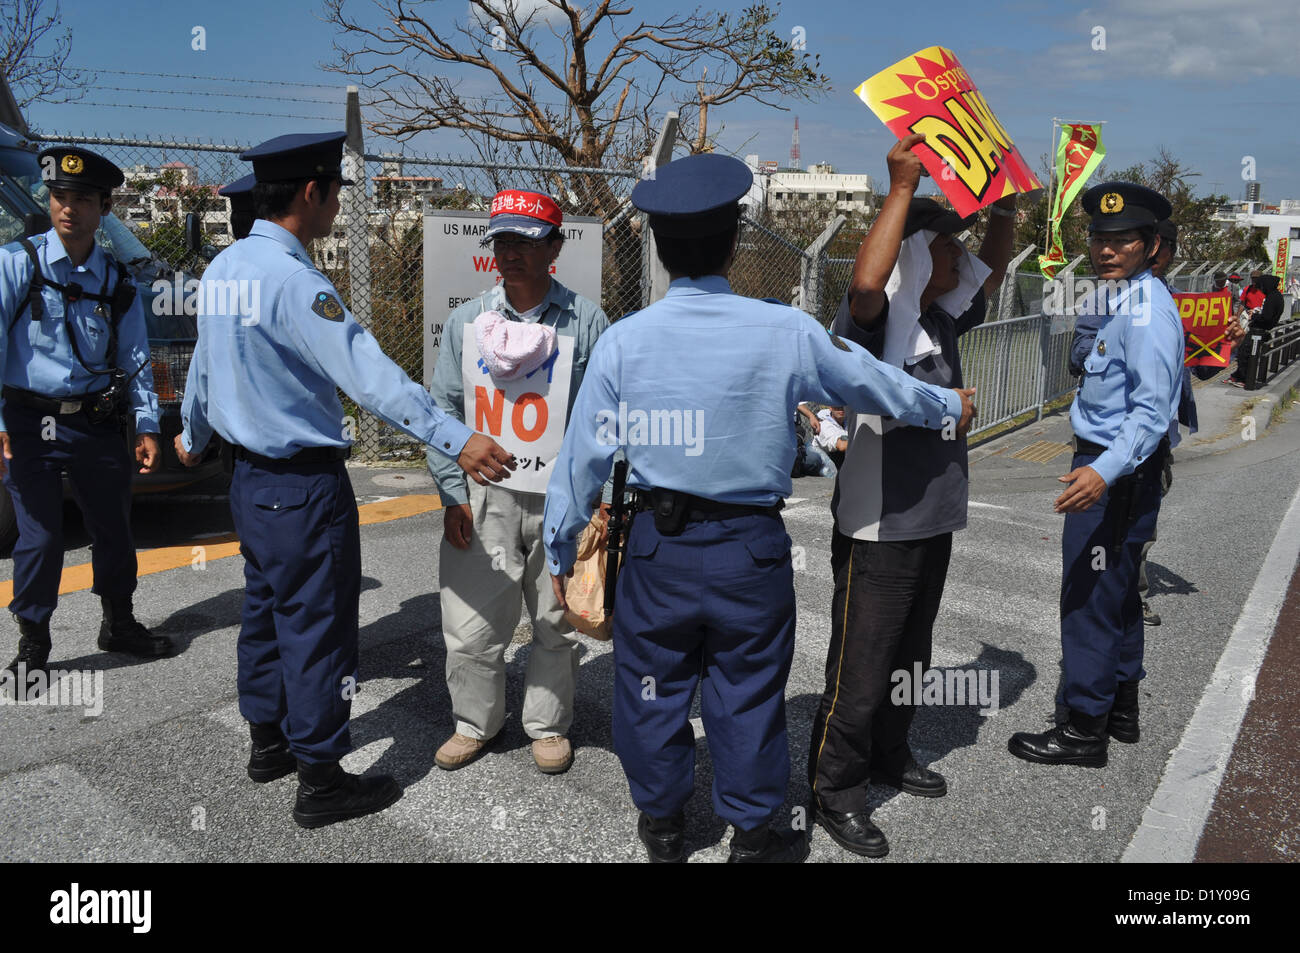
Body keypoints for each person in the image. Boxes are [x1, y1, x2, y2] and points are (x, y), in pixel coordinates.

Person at [542, 151, 976, 863]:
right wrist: (944, 406)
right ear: (735, 241)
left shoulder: (624, 342)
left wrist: (563, 552)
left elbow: (581, 462)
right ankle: (751, 831)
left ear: (656, 242)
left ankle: (662, 822)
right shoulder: (786, 330)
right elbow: (874, 384)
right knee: (745, 691)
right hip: (750, 549)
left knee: (651, 689)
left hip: (656, 548)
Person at [175, 131, 515, 829]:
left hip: (248, 484)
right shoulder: (298, 282)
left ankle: (268, 743)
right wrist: (459, 438)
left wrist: (191, 439)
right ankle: (322, 778)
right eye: (334, 193)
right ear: (312, 192)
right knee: (319, 628)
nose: (335, 208)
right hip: (302, 489)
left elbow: (204, 376)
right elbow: (372, 378)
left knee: (266, 612)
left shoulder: (223, 269)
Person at [806, 133, 1016, 857]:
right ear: (919, 256)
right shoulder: (874, 323)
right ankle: (835, 789)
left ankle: (891, 754)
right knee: (860, 666)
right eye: (949, 248)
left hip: (930, 515)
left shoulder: (938, 318)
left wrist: (1006, 199)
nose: (962, 259)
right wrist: (900, 189)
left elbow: (992, 274)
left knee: (910, 655)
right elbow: (869, 286)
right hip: (878, 519)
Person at [428, 189, 608, 776]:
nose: (511, 254)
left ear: (554, 246)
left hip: (563, 497)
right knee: (471, 619)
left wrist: (597, 496)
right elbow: (444, 408)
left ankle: (548, 725)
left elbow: (604, 414)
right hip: (485, 497)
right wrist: (451, 493)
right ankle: (473, 723)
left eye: (525, 242)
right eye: (502, 241)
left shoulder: (587, 321)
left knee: (555, 617)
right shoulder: (467, 320)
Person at [1008, 182, 1182, 767]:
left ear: (1150, 245)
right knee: (1119, 590)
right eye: (1100, 238)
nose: (1107, 250)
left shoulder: (1147, 311)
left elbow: (1152, 412)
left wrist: (1102, 472)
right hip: (1119, 463)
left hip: (1116, 467)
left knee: (1088, 593)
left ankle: (1083, 730)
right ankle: (1121, 710)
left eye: (1123, 240)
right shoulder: (1124, 297)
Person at [0, 146, 165, 692]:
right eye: (59, 198)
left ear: (103, 208)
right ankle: (34, 642)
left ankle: (119, 623)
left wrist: (146, 424)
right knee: (41, 536)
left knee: (113, 525)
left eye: (82, 200)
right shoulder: (16, 264)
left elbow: (135, 356)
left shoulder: (116, 280)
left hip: (94, 421)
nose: (67, 208)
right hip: (29, 420)